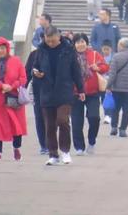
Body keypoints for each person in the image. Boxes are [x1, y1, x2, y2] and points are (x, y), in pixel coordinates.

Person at [31, 26, 85, 166]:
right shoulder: (41, 50)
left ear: (58, 37)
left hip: (64, 91)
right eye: (48, 41)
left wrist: (81, 89)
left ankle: (65, 151)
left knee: (62, 120)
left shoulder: (68, 50)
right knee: (49, 125)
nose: (50, 44)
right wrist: (37, 73)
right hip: (47, 92)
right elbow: (35, 68)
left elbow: (76, 71)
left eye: (53, 41)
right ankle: (53, 154)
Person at [0, 37, 27, 162]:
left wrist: (12, 86)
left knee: (16, 125)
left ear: (7, 49)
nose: (1, 51)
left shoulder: (16, 62)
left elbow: (23, 78)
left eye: (3, 48)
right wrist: (0, 85)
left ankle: (16, 148)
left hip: (13, 99)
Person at [70, 33, 108, 155]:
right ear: (74, 44)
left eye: (82, 42)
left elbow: (105, 67)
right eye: (77, 42)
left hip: (92, 93)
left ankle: (92, 141)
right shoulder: (70, 56)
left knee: (94, 117)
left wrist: (98, 68)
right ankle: (79, 147)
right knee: (76, 121)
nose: (80, 44)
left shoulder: (94, 54)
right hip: (75, 93)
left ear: (86, 43)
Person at [107, 37, 128, 137]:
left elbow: (112, 74)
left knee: (115, 108)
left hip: (117, 88)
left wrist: (108, 85)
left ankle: (114, 127)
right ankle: (123, 129)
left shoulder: (116, 57)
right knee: (126, 109)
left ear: (121, 46)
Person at [25, 35, 47, 154]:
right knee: (39, 117)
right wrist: (21, 90)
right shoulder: (34, 55)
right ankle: (43, 144)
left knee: (50, 118)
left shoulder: (58, 54)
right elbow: (27, 73)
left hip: (53, 91)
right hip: (38, 91)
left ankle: (50, 142)